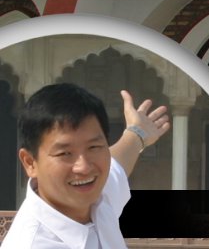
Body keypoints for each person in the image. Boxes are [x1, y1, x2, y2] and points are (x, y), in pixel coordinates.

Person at [4, 83, 172, 249]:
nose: (83, 168)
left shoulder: (98, 200)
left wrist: (137, 133)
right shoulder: (33, 243)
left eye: (93, 147)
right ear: (30, 162)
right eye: (64, 153)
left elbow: (118, 162)